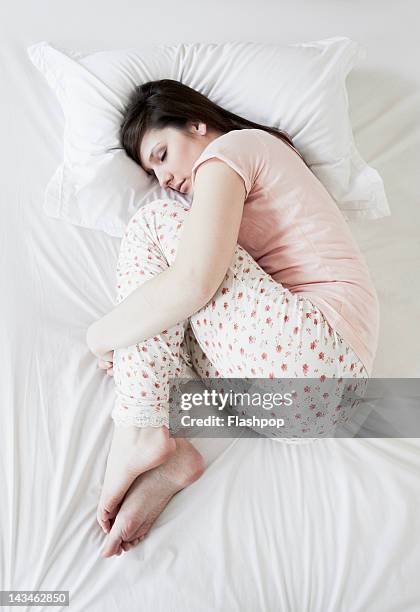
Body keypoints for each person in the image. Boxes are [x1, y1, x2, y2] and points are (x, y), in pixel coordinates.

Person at [85, 79, 378, 557]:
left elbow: (194, 281)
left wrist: (99, 337)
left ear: (197, 123)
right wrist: (130, 334)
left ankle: (140, 428)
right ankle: (172, 452)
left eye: (161, 154)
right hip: (295, 409)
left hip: (319, 351)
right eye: (151, 172)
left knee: (153, 225)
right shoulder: (229, 185)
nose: (164, 181)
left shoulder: (231, 150)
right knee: (160, 321)